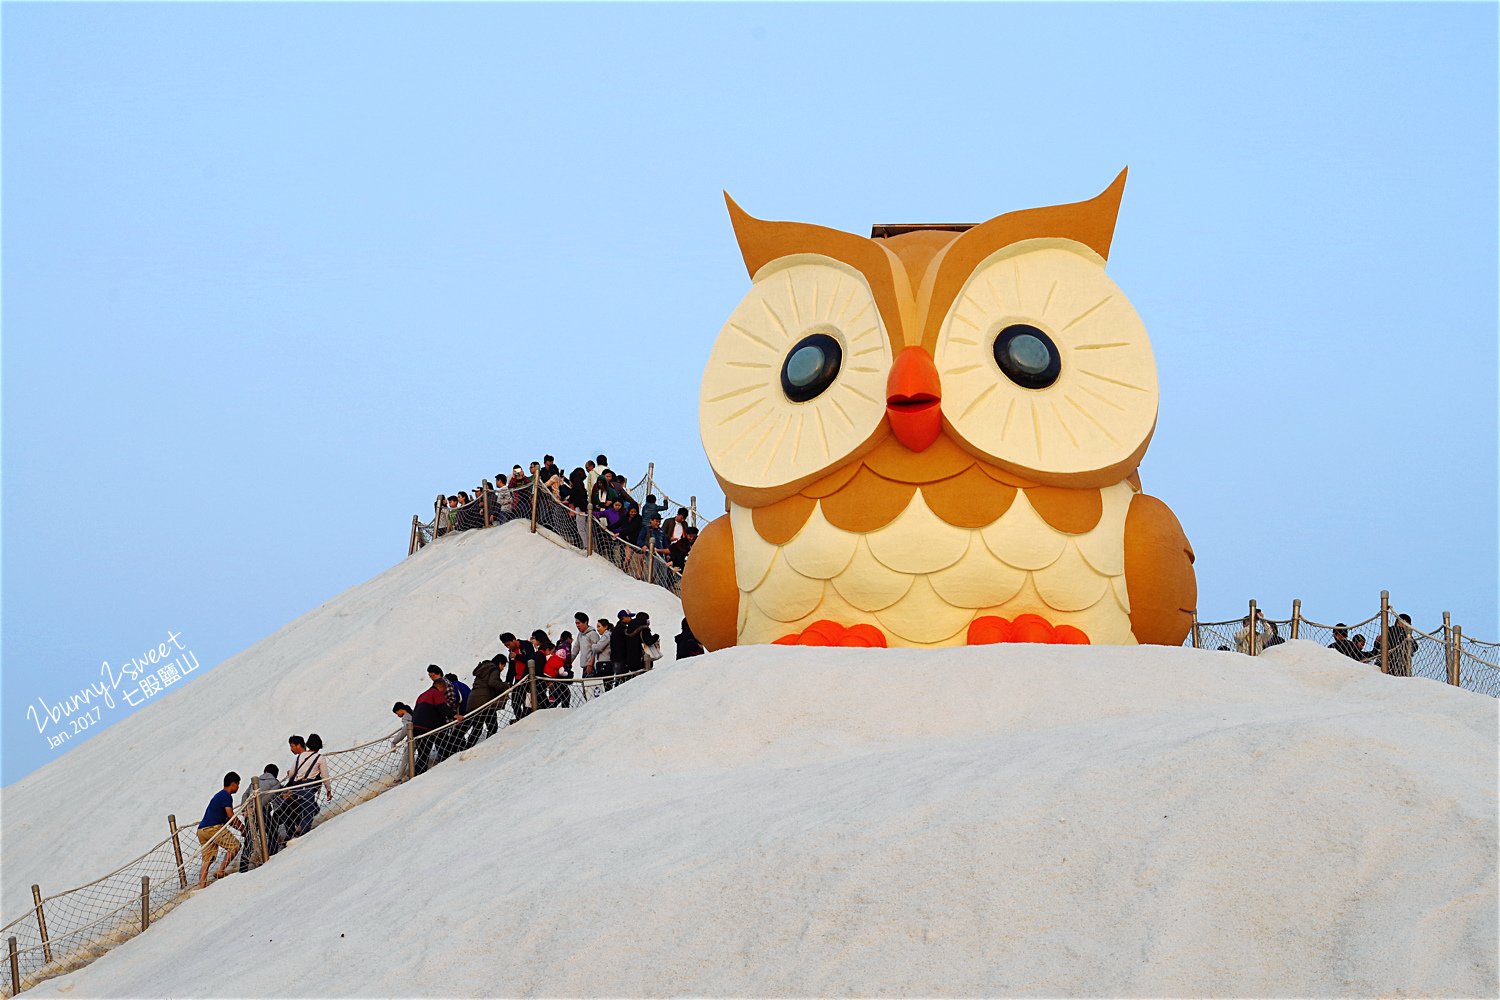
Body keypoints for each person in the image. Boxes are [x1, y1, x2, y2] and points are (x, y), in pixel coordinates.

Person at [197, 772, 242, 887]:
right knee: (235, 846)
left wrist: (237, 826)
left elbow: (227, 819)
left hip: (202, 830)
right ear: (233, 784)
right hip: (214, 828)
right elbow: (230, 815)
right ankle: (221, 870)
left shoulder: (218, 795)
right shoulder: (226, 795)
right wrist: (242, 828)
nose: (238, 787)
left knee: (207, 859)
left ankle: (202, 885)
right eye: (238, 784)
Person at [284, 734, 331, 837]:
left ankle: (294, 831)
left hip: (296, 788)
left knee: (303, 808)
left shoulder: (301, 756)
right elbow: (325, 776)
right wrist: (328, 790)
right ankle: (302, 838)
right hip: (307, 788)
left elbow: (292, 773)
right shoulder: (319, 758)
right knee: (307, 815)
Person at [237, 764, 282, 867]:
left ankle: (243, 867)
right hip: (262, 811)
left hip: (250, 813)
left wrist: (246, 809)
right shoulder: (275, 783)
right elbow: (269, 797)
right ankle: (270, 857)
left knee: (249, 839)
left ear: (265, 771)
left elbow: (245, 795)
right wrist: (258, 807)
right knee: (272, 833)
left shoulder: (254, 782)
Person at [465, 657, 507, 741]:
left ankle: (468, 747)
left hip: (473, 700)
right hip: (484, 702)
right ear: (500, 663)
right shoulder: (494, 669)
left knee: (477, 728)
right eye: (503, 666)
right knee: (492, 727)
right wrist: (506, 685)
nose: (502, 669)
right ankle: (489, 745)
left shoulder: (484, 669)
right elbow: (493, 683)